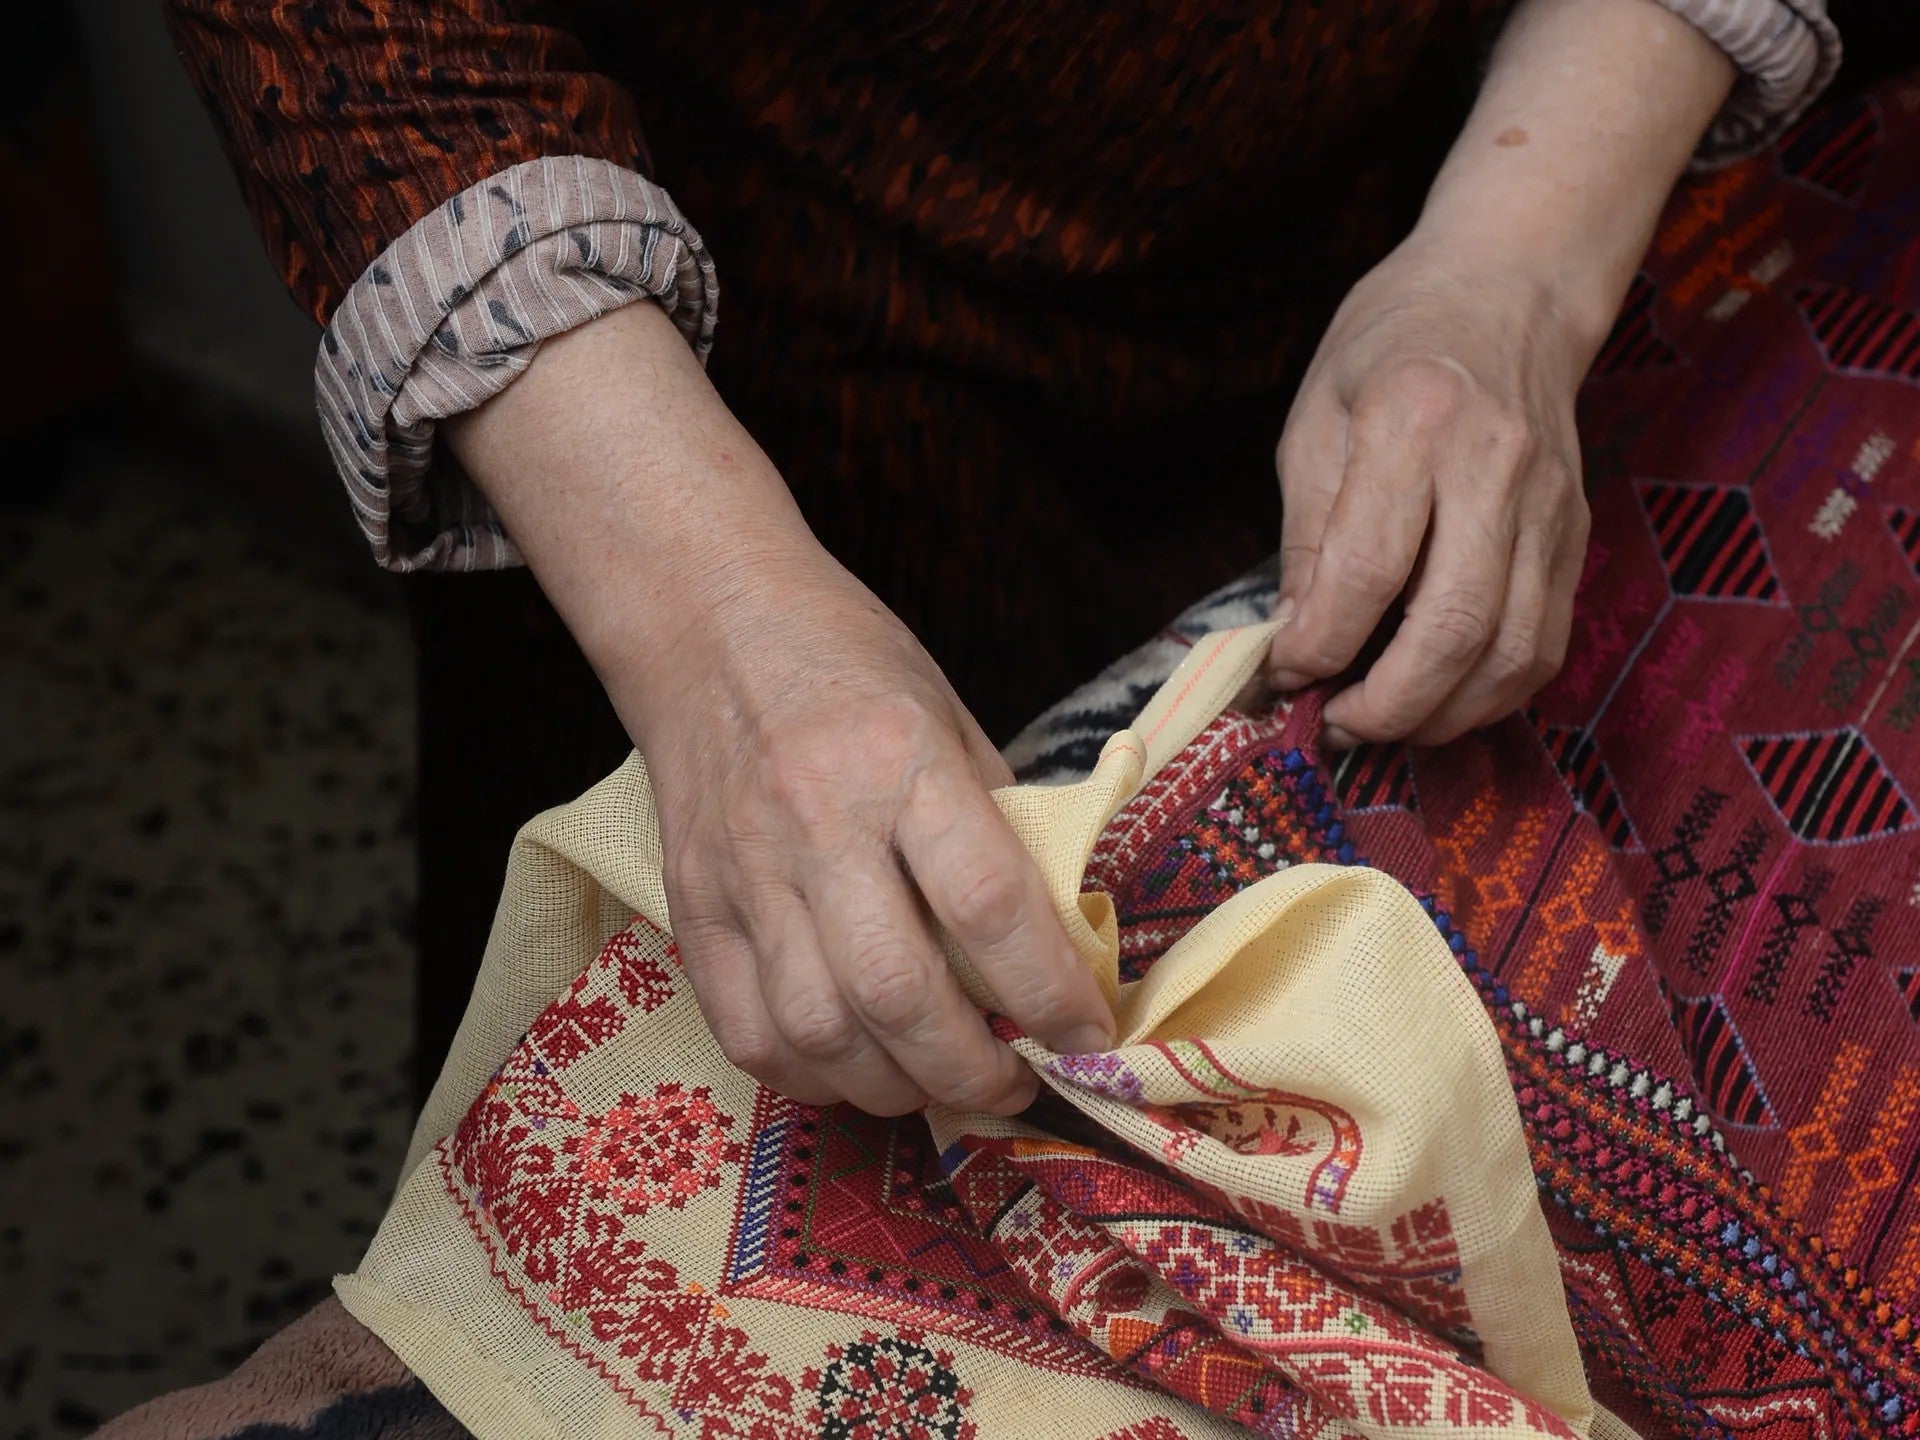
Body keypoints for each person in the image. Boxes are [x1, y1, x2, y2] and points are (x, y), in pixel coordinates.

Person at [169, 0, 1836, 1118]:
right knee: (696, 1088)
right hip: (702, 384)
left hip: (1401, 216)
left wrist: (1515, 268)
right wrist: (713, 622)